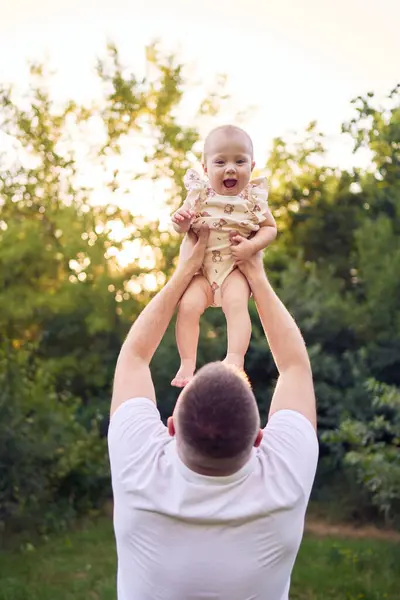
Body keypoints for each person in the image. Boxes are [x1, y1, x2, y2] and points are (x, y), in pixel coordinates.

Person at [108, 226, 318, 600]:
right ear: (259, 438)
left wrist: (183, 272)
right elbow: (296, 367)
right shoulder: (286, 479)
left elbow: (134, 358)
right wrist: (256, 273)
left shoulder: (137, 468)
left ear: (171, 428)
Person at [170, 125, 277, 387]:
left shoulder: (253, 199)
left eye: (239, 161)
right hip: (202, 273)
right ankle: (186, 363)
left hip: (234, 271)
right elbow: (180, 226)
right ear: (206, 169)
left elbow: (270, 228)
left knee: (237, 306)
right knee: (187, 307)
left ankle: (234, 358)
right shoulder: (199, 195)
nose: (231, 168)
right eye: (221, 162)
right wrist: (181, 222)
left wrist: (251, 248)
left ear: (251, 166)